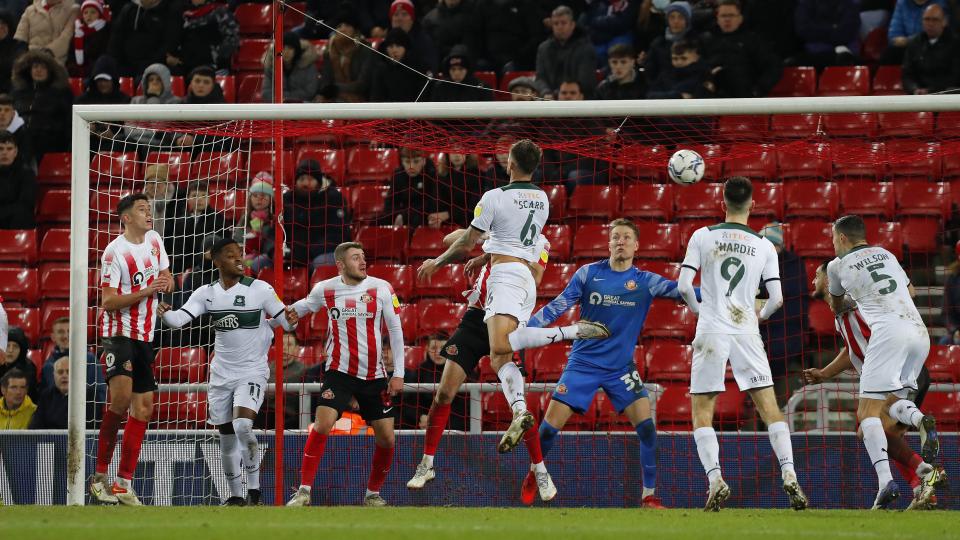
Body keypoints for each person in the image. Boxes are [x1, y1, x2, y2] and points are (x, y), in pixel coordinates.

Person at [418, 140, 590, 459]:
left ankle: (571, 331)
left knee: (500, 350)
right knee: (501, 358)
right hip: (521, 284)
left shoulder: (494, 197)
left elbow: (461, 241)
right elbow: (510, 242)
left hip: (505, 280)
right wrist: (486, 254)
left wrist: (437, 262)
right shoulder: (542, 199)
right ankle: (520, 412)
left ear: (509, 163)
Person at [409, 227, 603, 503]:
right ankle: (426, 464)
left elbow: (535, 277)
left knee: (518, 406)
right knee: (443, 393)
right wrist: (488, 245)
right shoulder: (499, 228)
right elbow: (451, 240)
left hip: (507, 317)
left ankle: (540, 469)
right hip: (475, 318)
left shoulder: (540, 241)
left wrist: (495, 254)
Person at [528, 219, 696, 508]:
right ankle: (534, 474)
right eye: (615, 237)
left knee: (647, 429)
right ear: (608, 244)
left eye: (627, 237)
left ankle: (649, 496)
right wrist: (527, 329)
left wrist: (727, 300)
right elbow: (558, 306)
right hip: (583, 364)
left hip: (621, 368)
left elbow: (685, 293)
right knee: (547, 430)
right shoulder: (588, 274)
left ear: (636, 245)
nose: (621, 241)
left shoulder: (646, 282)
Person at [677, 177, 807, 512]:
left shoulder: (703, 236)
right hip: (746, 331)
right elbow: (777, 298)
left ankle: (716, 479)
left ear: (722, 202)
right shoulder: (764, 245)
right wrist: (755, 317)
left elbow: (683, 286)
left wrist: (700, 311)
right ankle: (790, 474)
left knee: (702, 413)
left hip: (711, 330)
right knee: (770, 408)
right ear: (751, 205)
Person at [159, 238, 298, 506]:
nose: (239, 260)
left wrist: (290, 320)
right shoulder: (206, 293)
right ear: (217, 260)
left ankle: (254, 491)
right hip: (221, 374)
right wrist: (164, 313)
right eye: (232, 256)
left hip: (252, 371)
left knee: (243, 425)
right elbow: (179, 320)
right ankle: (235, 495)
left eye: (241, 255)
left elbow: (285, 323)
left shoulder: (261, 289)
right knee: (225, 435)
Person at [805, 261, 946, 510]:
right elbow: (851, 350)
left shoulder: (854, 300)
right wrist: (825, 373)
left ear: (830, 279)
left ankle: (922, 476)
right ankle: (924, 483)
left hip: (896, 370)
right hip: (895, 372)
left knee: (873, 430)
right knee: (883, 435)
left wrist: (847, 297)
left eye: (817, 275)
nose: (812, 281)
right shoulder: (840, 316)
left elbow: (866, 303)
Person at [285, 242, 406, 507]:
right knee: (322, 425)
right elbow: (300, 309)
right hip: (339, 373)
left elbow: (396, 332)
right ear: (340, 264)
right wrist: (279, 316)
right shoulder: (325, 289)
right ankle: (304, 491)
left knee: (387, 438)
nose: (362, 262)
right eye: (355, 258)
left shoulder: (382, 287)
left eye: (363, 257)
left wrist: (399, 373)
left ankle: (372, 494)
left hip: (375, 376)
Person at [89, 193, 174, 506]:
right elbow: (108, 301)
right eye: (142, 210)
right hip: (118, 334)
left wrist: (165, 284)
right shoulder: (114, 251)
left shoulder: (154, 240)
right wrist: (146, 291)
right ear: (126, 217)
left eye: (149, 209)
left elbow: (168, 278)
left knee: (144, 409)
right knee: (122, 400)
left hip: (145, 337)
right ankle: (99, 477)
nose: (148, 214)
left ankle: (123, 482)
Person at [758, 223, 807, 404]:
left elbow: (787, 296)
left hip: (786, 333)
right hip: (761, 331)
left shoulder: (793, 264)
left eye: (773, 245)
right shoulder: (754, 262)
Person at [700, 0, 782, 98]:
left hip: (745, 98)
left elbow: (772, 67)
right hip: (711, 98)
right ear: (717, 19)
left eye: (731, 15)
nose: (727, 19)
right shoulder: (706, 41)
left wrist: (758, 90)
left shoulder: (753, 41)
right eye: (723, 16)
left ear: (740, 18)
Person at [282, 159, 349, 270]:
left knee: (320, 263)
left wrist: (308, 252)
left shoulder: (334, 198)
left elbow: (338, 235)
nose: (305, 183)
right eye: (301, 179)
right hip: (291, 253)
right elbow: (275, 229)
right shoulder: (287, 199)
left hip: (323, 252)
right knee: (260, 262)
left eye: (310, 179)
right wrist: (274, 251)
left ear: (319, 181)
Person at [11, 51, 73, 160]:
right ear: (29, 70)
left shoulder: (62, 93)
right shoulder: (18, 92)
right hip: (19, 141)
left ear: (50, 71)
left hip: (50, 142)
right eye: (35, 66)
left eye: (43, 67)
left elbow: (67, 123)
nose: (38, 70)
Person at [400, 333, 469, 431]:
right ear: (427, 349)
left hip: (455, 428)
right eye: (433, 348)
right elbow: (410, 404)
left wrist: (439, 422)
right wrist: (421, 417)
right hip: (424, 428)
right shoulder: (420, 371)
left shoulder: (461, 370)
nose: (439, 352)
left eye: (443, 347)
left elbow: (465, 408)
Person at [40, 316, 106, 413]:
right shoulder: (48, 366)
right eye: (60, 332)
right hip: (55, 421)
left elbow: (99, 395)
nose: (65, 336)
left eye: (69, 331)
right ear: (53, 337)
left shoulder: (90, 360)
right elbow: (45, 399)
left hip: (85, 417)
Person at [164, 180, 228, 275]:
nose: (199, 199)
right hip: (186, 268)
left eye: (203, 195)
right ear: (188, 198)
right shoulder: (180, 221)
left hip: (211, 267)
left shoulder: (218, 218)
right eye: (194, 195)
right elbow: (178, 252)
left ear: (209, 198)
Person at [536, 5, 598, 97]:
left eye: (563, 23)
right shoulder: (543, 48)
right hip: (549, 101)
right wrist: (546, 92)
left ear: (572, 25)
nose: (559, 27)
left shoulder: (586, 49)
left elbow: (586, 81)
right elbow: (540, 78)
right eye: (556, 24)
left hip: (577, 101)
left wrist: (560, 94)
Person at [317, 6, 375, 103]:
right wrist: (324, 91)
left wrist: (335, 88)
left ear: (355, 30)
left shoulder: (365, 50)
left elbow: (362, 84)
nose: (343, 29)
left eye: (347, 25)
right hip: (334, 98)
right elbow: (326, 80)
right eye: (339, 26)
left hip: (360, 100)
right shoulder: (330, 51)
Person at [108, 0, 179, 78]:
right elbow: (116, 39)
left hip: (155, 67)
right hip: (125, 65)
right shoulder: (129, 9)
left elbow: (169, 43)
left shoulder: (170, 11)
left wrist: (150, 64)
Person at [166, 0, 238, 76]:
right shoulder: (181, 11)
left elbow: (232, 39)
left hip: (213, 68)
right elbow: (176, 39)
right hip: (186, 66)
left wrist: (215, 58)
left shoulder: (220, 11)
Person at [901, 4, 960, 95]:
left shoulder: (955, 44)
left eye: (935, 19)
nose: (930, 24)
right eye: (927, 19)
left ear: (944, 22)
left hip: (946, 95)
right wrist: (914, 89)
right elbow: (907, 74)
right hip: (919, 95)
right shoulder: (914, 43)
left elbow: (955, 76)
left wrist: (931, 91)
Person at [475, 0, 543, 73]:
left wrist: (518, 57)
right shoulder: (483, 5)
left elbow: (536, 36)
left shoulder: (526, 5)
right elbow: (476, 35)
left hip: (518, 59)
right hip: (489, 58)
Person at [379, 147, 440, 228]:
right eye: (407, 162)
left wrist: (405, 215)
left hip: (423, 217)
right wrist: (398, 215)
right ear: (402, 162)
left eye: (416, 161)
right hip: (401, 214)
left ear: (424, 161)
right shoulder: (398, 174)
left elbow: (431, 203)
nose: (411, 166)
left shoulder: (431, 174)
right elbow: (389, 203)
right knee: (376, 221)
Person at [793, 0, 862, 69]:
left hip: (847, 53)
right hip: (815, 54)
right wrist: (833, 28)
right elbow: (803, 29)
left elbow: (846, 32)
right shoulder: (806, 4)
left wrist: (819, 28)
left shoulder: (850, 4)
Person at [369, 28, 427, 102]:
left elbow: (423, 97)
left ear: (406, 48)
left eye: (398, 46)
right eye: (391, 46)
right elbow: (376, 97)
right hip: (388, 111)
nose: (394, 50)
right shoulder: (381, 68)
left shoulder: (417, 67)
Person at [13, 0, 79, 66]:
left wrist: (44, 54)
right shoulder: (29, 10)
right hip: (31, 62)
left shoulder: (73, 9)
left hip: (58, 63)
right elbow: (20, 39)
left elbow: (67, 37)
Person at [884, 0, 948, 65]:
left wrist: (907, 41)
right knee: (890, 54)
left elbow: (933, 33)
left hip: (930, 48)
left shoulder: (939, 3)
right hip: (907, 48)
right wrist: (901, 41)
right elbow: (893, 35)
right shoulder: (902, 3)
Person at [645, 38, 714, 99]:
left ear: (696, 57)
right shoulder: (666, 74)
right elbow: (650, 96)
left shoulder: (704, 75)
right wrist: (678, 96)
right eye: (675, 59)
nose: (679, 62)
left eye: (684, 58)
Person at [643, 1, 691, 86]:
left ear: (687, 20)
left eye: (680, 17)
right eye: (672, 17)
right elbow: (650, 73)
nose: (676, 21)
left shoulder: (696, 42)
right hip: (661, 91)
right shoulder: (658, 44)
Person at [262, 32, 319, 103]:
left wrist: (285, 98)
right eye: (283, 48)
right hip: (278, 107)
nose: (286, 52)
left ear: (296, 50)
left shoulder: (308, 65)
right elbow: (266, 93)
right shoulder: (271, 65)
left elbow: (310, 92)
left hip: (303, 107)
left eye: (290, 48)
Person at [578, 0, 638, 67]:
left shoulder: (630, 4)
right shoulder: (597, 4)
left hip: (619, 35)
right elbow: (586, 21)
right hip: (599, 37)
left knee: (618, 51)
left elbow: (622, 23)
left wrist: (597, 22)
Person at [387, 0, 438, 73]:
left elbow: (430, 69)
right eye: (396, 15)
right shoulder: (385, 42)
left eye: (404, 14)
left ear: (412, 19)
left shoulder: (424, 42)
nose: (399, 19)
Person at [429, 45, 494, 102]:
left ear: (467, 70)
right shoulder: (440, 87)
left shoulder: (481, 88)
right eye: (453, 69)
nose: (457, 73)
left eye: (460, 69)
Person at [0, 130, 36, 229]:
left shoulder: (27, 175)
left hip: (16, 223)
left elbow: (25, 204)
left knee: (22, 214)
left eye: (9, 149)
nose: (4, 153)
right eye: (1, 149)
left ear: (15, 152)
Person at [69, 0, 111, 78]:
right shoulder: (78, 32)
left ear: (99, 14)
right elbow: (71, 55)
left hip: (97, 72)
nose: (89, 15)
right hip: (79, 73)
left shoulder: (105, 31)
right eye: (85, 12)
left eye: (93, 12)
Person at [242, 179, 274, 274]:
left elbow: (271, 244)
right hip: (248, 254)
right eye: (255, 196)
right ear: (250, 199)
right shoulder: (245, 218)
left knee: (257, 262)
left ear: (270, 199)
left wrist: (259, 232)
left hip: (266, 255)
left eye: (263, 196)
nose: (259, 199)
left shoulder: (274, 219)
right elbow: (238, 238)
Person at [29, 356, 70, 429]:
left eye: (68, 372)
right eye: (60, 372)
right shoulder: (46, 396)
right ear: (54, 375)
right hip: (49, 440)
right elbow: (36, 426)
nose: (64, 375)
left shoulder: (88, 395)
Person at [0, 327, 37, 399]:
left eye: (15, 346)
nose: (10, 350)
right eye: (7, 346)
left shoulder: (28, 369)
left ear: (21, 351)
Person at [0, 10, 27, 95]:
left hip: (11, 94)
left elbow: (18, 72)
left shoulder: (19, 45)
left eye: (3, 24)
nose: (0, 27)